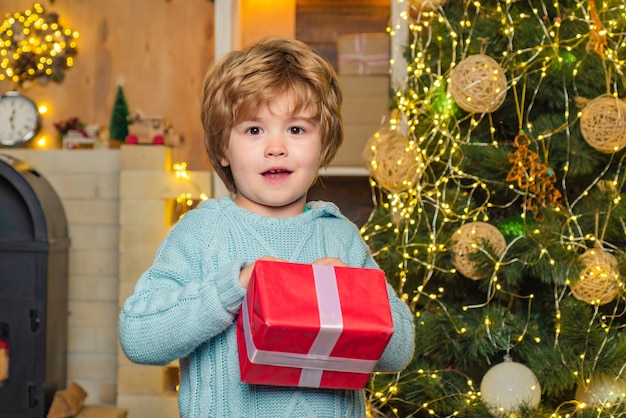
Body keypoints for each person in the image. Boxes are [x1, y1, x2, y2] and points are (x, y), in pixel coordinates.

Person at [119, 37, 415, 418]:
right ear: (223, 149)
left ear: (322, 145)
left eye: (296, 130)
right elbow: (138, 337)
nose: (276, 147)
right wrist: (233, 287)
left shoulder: (339, 236)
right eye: (254, 130)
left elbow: (400, 349)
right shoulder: (202, 233)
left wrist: (351, 296)